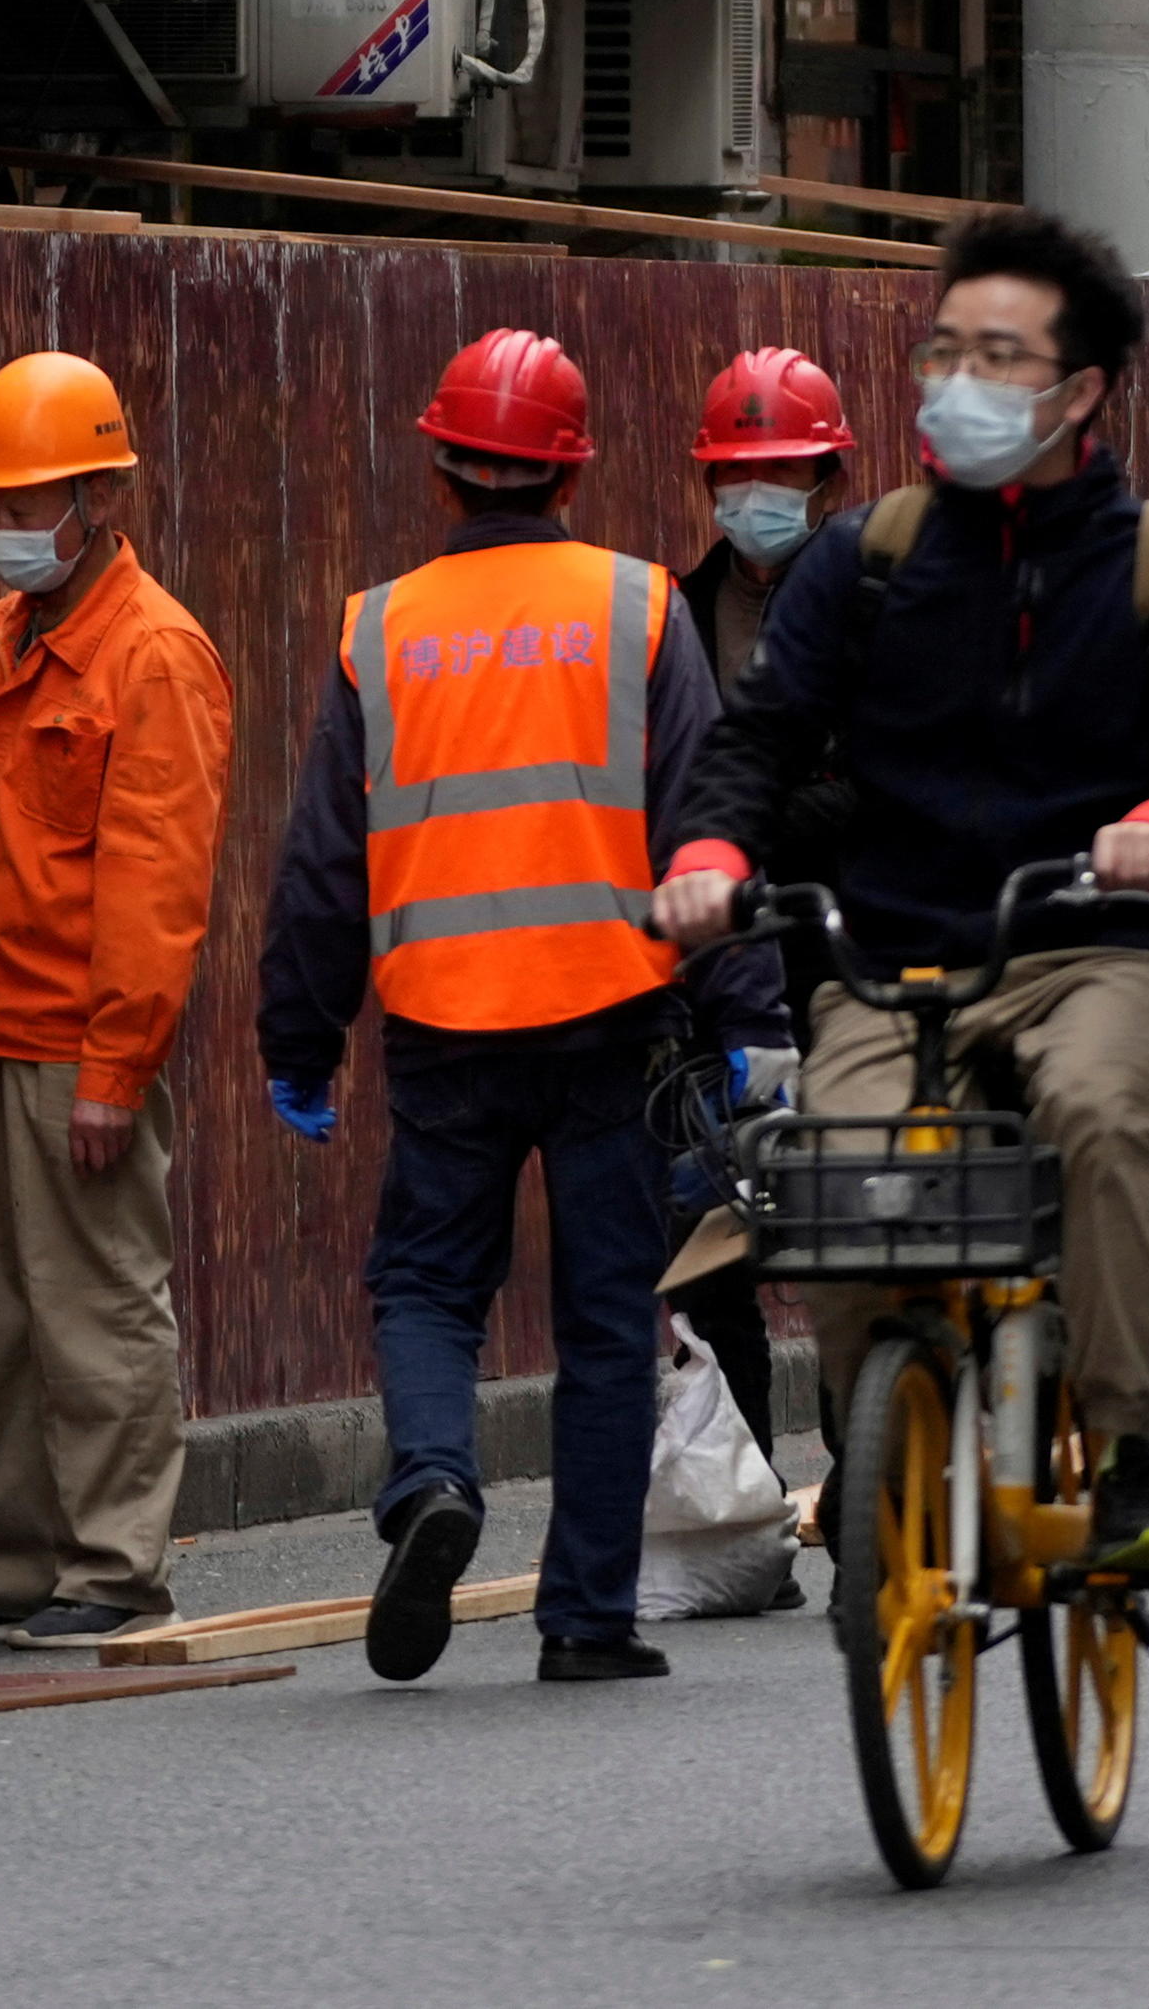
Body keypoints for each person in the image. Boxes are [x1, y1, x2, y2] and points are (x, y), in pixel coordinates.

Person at [657, 211, 1149, 1580]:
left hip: (1096, 949)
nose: (959, 379)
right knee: (834, 1175)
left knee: (1099, 1114)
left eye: (998, 356)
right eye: (943, 350)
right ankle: (884, 1435)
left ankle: (1127, 1453)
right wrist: (711, 852)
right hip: (889, 955)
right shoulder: (866, 561)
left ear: (1080, 393)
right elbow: (758, 735)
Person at [266, 329, 762, 1684]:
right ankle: (585, 1621)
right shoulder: (642, 607)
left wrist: (297, 1041)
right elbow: (704, 826)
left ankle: (433, 1480)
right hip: (613, 1014)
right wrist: (743, 1026)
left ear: (441, 470)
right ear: (570, 474)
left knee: (426, 1284)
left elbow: (323, 859)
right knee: (608, 1317)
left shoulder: (382, 627)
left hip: (443, 1022)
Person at [0, 352, 234, 1652]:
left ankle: (118, 1565)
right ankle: (18, 1565)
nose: (6, 528)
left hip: (74, 1046)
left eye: (28, 504)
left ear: (100, 496)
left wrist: (114, 1069)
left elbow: (157, 888)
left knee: (99, 1309)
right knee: (6, 1318)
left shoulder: (154, 657)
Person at [661, 345, 861, 1453]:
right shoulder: (675, 615)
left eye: (780, 474)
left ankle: (860, 1464)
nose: (753, 498)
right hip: (714, 975)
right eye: (735, 475)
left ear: (826, 483)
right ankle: (739, 1490)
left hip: (841, 963)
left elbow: (874, 793)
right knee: (703, 1234)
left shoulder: (873, 611)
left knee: (844, 1225)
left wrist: (751, 821)